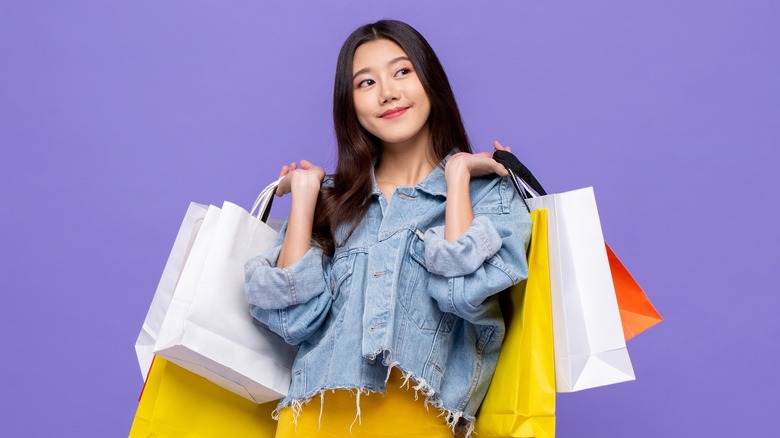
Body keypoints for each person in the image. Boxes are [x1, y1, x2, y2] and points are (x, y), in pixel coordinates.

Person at [244, 19, 531, 437]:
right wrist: (306, 197)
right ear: (350, 104)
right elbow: (292, 321)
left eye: (402, 72)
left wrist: (457, 176)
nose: (387, 93)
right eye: (365, 83)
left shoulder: (486, 195)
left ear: (429, 80)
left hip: (420, 426)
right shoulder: (337, 201)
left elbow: (464, 292)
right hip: (311, 424)